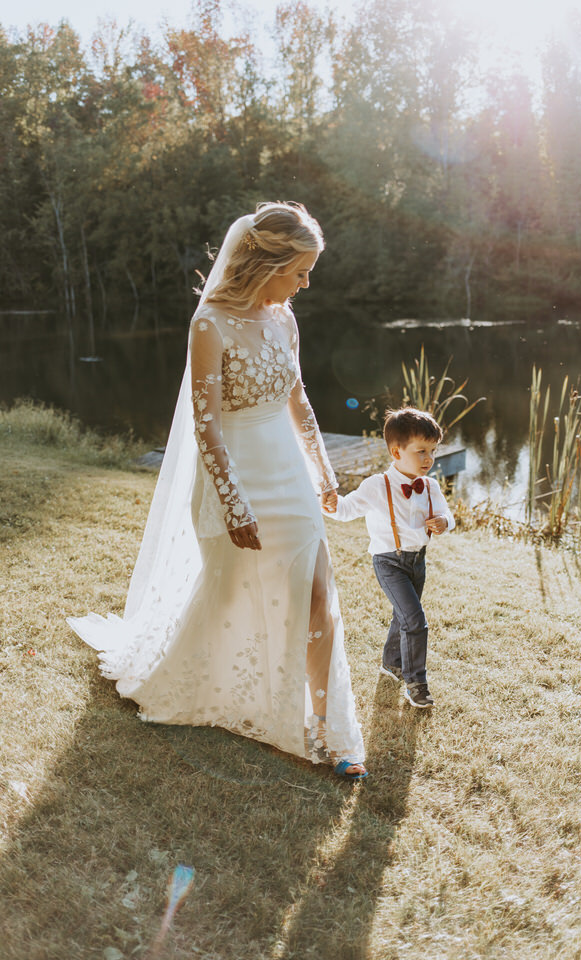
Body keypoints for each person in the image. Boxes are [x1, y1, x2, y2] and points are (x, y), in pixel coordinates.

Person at [67, 202, 367, 781]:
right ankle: (206, 678)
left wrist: (324, 471)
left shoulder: (284, 319)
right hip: (236, 472)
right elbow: (206, 424)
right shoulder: (209, 325)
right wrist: (233, 502)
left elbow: (297, 397)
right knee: (228, 592)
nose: (305, 283)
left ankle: (331, 726)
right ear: (265, 261)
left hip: (289, 474)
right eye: (299, 270)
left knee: (316, 596)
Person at [323, 407, 454, 708]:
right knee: (415, 620)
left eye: (432, 451)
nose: (428, 459)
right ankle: (416, 683)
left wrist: (445, 522)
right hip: (389, 561)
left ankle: (390, 664)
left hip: (417, 562)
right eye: (420, 451)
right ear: (396, 451)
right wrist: (330, 504)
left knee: (402, 616)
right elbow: (345, 510)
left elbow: (447, 514)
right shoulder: (375, 486)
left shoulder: (431, 486)